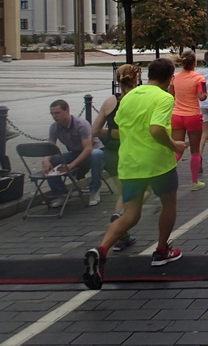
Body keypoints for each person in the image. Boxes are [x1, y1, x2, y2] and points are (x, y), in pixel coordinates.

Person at [83, 58, 186, 290]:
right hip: (158, 162)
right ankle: (161, 250)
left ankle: (101, 249)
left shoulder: (127, 97)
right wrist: (174, 145)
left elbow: (119, 126)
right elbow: (156, 129)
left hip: (129, 163)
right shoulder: (164, 97)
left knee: (130, 214)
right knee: (169, 204)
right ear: (170, 78)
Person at [91, 64, 141, 251]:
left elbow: (94, 131)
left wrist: (112, 132)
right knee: (135, 194)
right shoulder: (138, 99)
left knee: (122, 192)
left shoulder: (109, 101)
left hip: (112, 154)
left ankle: (123, 236)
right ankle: (119, 218)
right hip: (132, 153)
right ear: (136, 78)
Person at [41, 100, 105, 208]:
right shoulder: (54, 127)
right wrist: (46, 160)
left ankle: (94, 190)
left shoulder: (81, 125)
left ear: (67, 111)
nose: (54, 116)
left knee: (96, 155)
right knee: (51, 160)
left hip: (92, 151)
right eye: (52, 113)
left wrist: (71, 165)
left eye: (57, 113)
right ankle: (60, 193)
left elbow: (88, 149)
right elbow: (50, 147)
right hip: (75, 152)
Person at [169, 49, 207, 190]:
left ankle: (165, 173)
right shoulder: (199, 78)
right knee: (195, 150)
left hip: (177, 116)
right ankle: (194, 181)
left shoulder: (174, 77)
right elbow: (202, 96)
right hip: (193, 116)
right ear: (195, 62)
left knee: (177, 149)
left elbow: (170, 94)